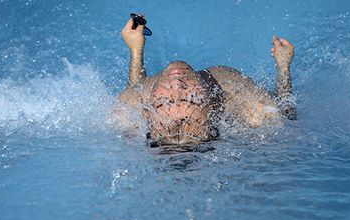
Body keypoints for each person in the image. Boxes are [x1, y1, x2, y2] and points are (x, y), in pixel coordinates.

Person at [116, 15, 296, 146]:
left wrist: (135, 50)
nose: (177, 85)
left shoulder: (135, 103)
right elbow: (286, 112)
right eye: (190, 99)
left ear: (148, 111)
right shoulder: (236, 91)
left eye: (165, 102)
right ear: (214, 108)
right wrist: (283, 68)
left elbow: (137, 89)